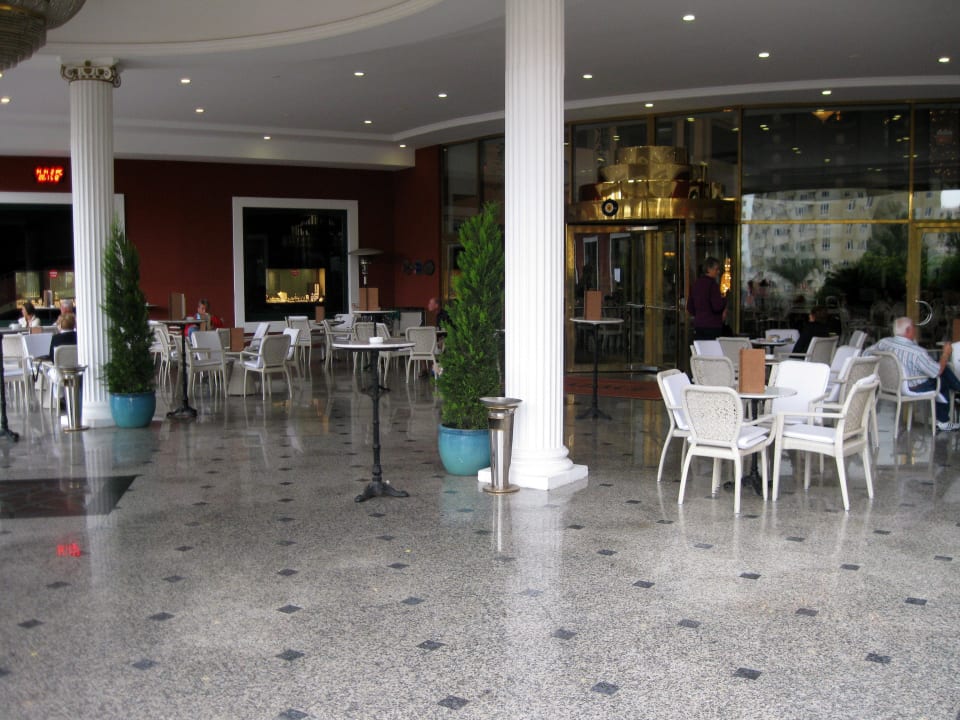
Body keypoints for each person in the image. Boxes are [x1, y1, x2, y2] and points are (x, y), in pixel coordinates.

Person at [865, 316, 960, 432]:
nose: (916, 330)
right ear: (908, 330)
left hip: (888, 386)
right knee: (942, 376)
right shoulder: (916, 352)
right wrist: (945, 353)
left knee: (940, 369)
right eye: (914, 327)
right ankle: (943, 421)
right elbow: (937, 371)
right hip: (911, 387)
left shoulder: (884, 342)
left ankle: (958, 391)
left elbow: (866, 353)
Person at [687, 257, 728, 340]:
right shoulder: (713, 285)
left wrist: (699, 315)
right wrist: (724, 300)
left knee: (700, 347)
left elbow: (690, 307)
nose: (718, 272)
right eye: (716, 269)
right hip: (712, 326)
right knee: (712, 348)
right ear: (709, 269)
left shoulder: (696, 284)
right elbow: (717, 306)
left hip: (699, 325)